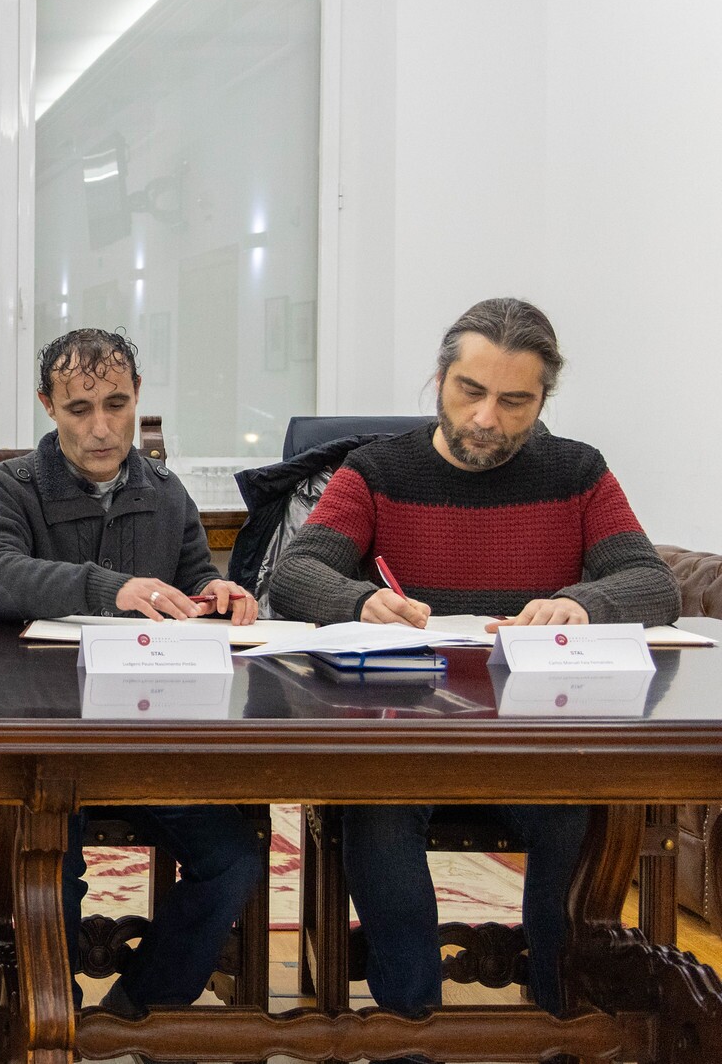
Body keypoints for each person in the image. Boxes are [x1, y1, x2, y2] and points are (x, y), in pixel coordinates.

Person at [267, 297, 677, 1037]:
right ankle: (411, 1028)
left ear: (543, 400)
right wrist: (357, 599)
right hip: (406, 735)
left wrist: (580, 602)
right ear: (439, 380)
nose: (487, 418)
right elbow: (296, 573)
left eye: (514, 402)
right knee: (377, 815)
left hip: (536, 737)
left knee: (577, 821)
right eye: (471, 391)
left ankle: (560, 1024)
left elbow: (653, 582)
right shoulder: (377, 470)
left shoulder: (577, 471)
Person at [0, 327, 266, 1020]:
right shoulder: (5, 488)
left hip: (147, 736)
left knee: (235, 860)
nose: (101, 428)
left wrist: (217, 598)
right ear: (47, 406)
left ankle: (139, 1010)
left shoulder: (165, 491)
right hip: (43, 737)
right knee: (52, 865)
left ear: (137, 399)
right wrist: (110, 588)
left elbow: (192, 581)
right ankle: (54, 1017)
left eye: (116, 404)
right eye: (79, 408)